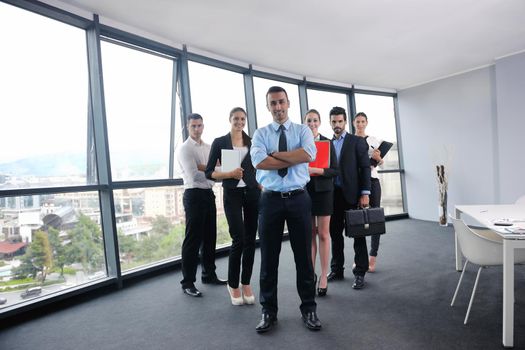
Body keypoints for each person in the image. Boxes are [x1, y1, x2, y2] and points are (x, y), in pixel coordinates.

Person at [250, 86, 321, 332]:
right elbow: (259, 161)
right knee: (269, 258)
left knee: (304, 257)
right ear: (268, 106)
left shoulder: (303, 130)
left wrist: (276, 156)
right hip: (270, 200)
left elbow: (309, 154)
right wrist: (293, 156)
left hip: (299, 198)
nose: (278, 107)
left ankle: (309, 309)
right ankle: (268, 312)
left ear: (288, 102)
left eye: (281, 102)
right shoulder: (260, 133)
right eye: (273, 103)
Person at [205, 107, 260, 306]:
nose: (239, 122)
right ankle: (233, 283)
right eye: (236, 118)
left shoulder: (252, 142)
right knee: (238, 238)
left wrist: (260, 184)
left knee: (251, 240)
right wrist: (229, 174)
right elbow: (209, 172)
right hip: (232, 195)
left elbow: (258, 167)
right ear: (230, 120)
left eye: (242, 119)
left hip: (253, 193)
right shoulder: (220, 142)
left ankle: (246, 282)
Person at [177, 113, 227, 298]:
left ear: (203, 126)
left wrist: (204, 167)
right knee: (193, 240)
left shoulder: (208, 147)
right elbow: (194, 176)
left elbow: (216, 170)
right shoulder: (184, 149)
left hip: (208, 194)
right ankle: (187, 282)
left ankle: (208, 274)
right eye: (193, 126)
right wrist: (210, 169)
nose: (197, 129)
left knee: (209, 237)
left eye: (199, 126)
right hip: (193, 195)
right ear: (188, 128)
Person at [327, 106, 371, 289]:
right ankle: (337, 269)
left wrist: (365, 193)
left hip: (352, 195)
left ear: (345, 122)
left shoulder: (356, 141)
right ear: (330, 122)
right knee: (335, 234)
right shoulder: (327, 144)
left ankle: (360, 272)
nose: (337, 125)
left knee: (357, 235)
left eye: (340, 121)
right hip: (332, 196)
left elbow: (365, 168)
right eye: (333, 121)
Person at [304, 109, 338, 297]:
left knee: (324, 234)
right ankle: (311, 275)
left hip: (324, 192)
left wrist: (317, 170)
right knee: (310, 235)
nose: (312, 123)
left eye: (315, 120)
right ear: (304, 122)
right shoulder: (300, 143)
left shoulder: (327, 143)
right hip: (305, 192)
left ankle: (324, 275)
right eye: (309, 120)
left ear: (320, 122)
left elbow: (335, 171)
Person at [353, 112, 384, 272]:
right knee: (358, 221)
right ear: (353, 123)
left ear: (366, 123)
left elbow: (381, 163)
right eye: (357, 121)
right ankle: (361, 258)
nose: (360, 124)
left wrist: (378, 159)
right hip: (357, 183)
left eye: (362, 121)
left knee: (375, 219)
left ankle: (373, 257)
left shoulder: (374, 141)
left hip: (373, 181)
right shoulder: (350, 141)